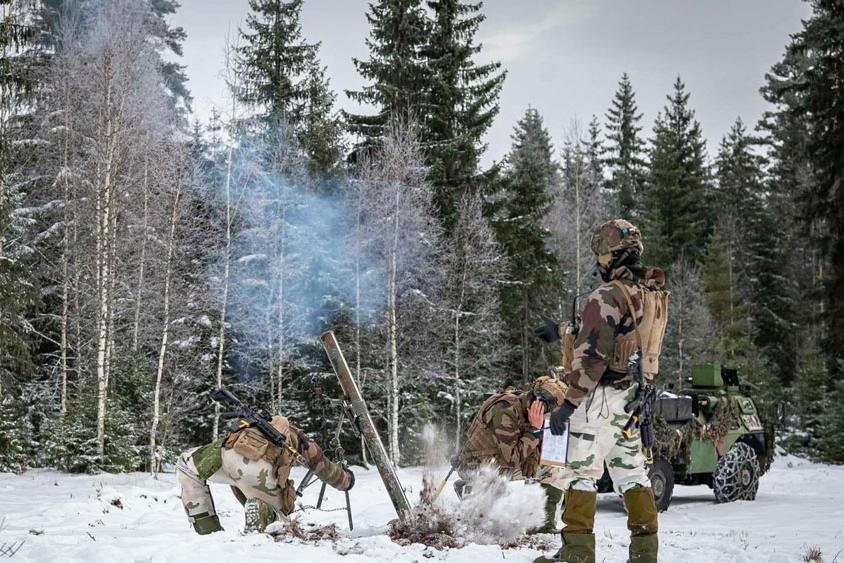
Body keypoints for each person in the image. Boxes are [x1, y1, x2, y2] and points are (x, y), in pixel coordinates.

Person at [536, 219, 669, 563]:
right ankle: (644, 554)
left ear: (613, 254)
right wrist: (562, 330)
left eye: (601, 253)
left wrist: (568, 405)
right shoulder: (647, 293)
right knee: (632, 472)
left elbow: (593, 356)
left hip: (598, 397)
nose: (599, 260)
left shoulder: (606, 295)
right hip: (630, 399)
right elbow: (611, 333)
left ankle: (576, 555)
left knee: (580, 472)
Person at [177, 412, 354, 535]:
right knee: (279, 521)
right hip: (259, 473)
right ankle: (261, 519)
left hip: (227, 456)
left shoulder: (247, 425)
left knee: (186, 463)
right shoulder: (294, 435)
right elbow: (323, 467)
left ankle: (207, 530)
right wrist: (347, 480)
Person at [456, 375, 569, 534]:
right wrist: (534, 430)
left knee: (555, 469)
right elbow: (513, 459)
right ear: (540, 404)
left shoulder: (527, 406)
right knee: (483, 528)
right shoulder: (505, 411)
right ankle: (470, 489)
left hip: (500, 463)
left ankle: (542, 527)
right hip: (477, 467)